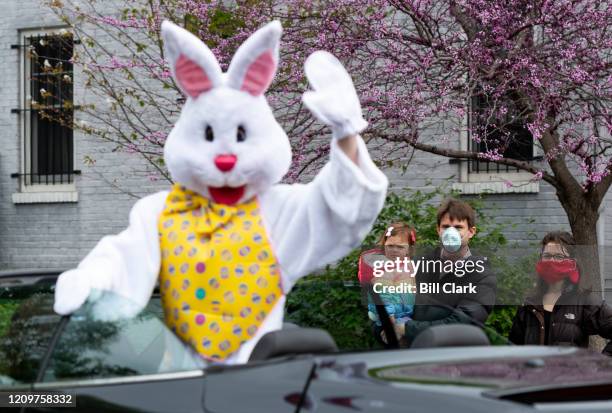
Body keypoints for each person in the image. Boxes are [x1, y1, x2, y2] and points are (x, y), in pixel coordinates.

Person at [388, 198, 496, 346]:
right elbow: (387, 305)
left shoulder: (481, 276)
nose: (451, 232)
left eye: (458, 227)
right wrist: (385, 331)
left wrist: (406, 329)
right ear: (438, 230)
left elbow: (463, 324)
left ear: (471, 232)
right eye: (446, 226)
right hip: (412, 359)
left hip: (452, 360)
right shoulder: (416, 266)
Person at [509, 231, 612, 355]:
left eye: (559, 257)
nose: (551, 261)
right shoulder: (529, 304)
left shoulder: (584, 301)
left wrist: (601, 366)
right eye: (547, 256)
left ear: (572, 262)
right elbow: (513, 350)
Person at [358, 222, 417, 346]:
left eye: (400, 247)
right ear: (384, 245)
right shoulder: (383, 269)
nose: (394, 250)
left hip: (405, 314)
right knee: (401, 342)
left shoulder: (408, 265)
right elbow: (384, 297)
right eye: (390, 246)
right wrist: (390, 322)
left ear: (409, 249)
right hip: (392, 316)